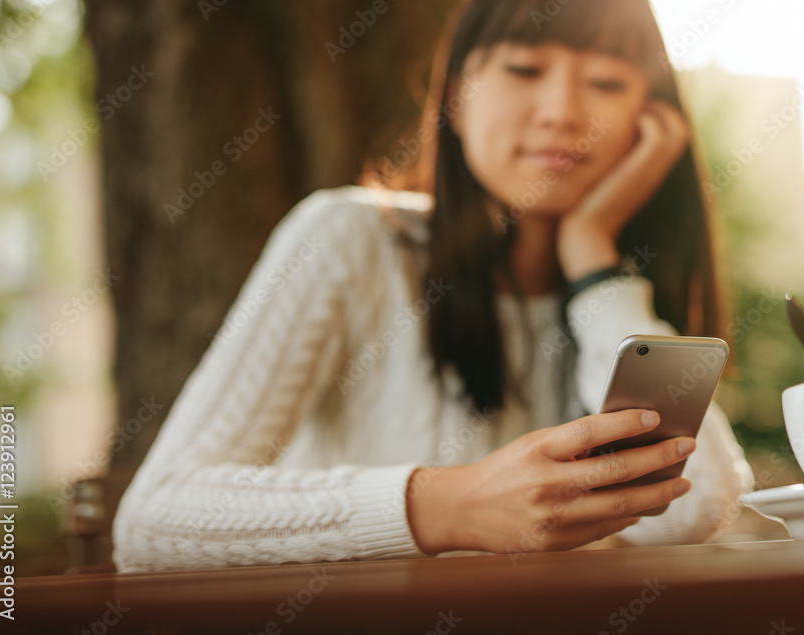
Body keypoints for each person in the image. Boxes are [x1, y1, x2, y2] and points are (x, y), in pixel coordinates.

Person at [112, 0, 754, 573]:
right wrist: (447, 506)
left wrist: (597, 269)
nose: (563, 112)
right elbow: (153, 521)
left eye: (607, 82)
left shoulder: (616, 290)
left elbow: (694, 510)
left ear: (652, 122)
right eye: (525, 70)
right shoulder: (351, 238)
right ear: (455, 97)